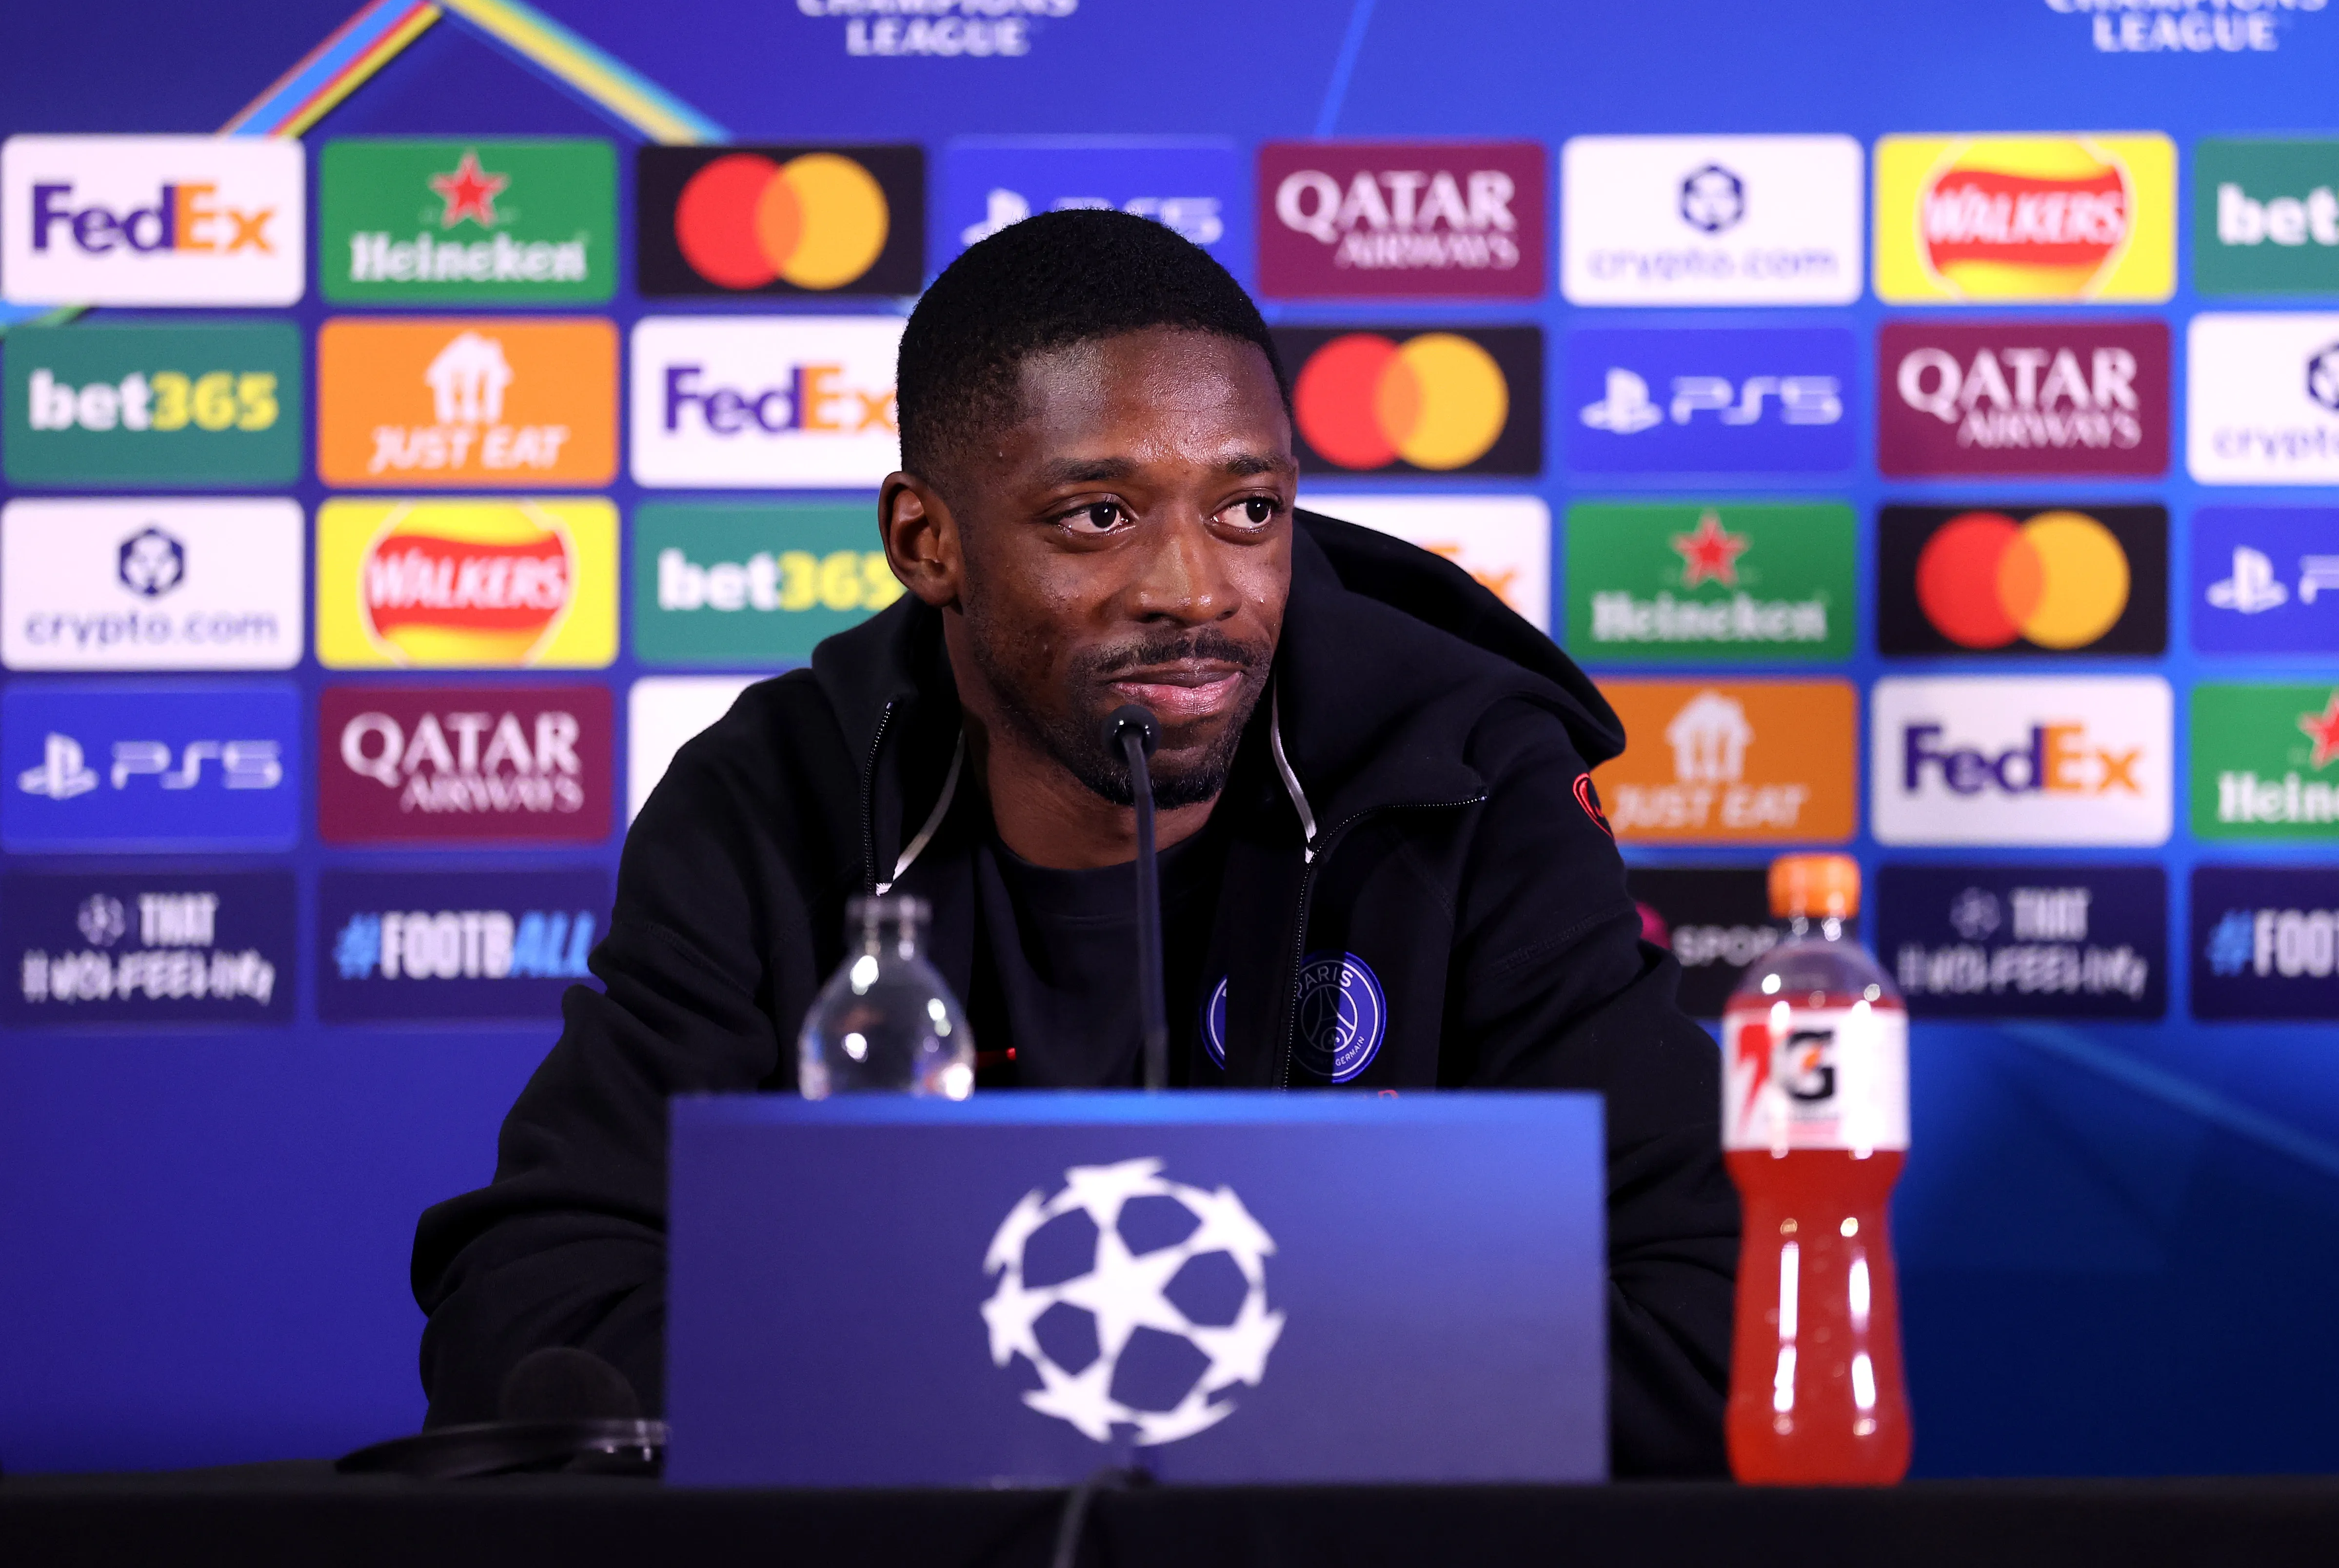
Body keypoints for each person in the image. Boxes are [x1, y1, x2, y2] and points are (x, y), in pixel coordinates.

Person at [412, 208, 1740, 1475]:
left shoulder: (1467, 782)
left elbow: (1719, 1326)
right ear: (926, 542)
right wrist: (1203, 1367)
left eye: (1249, 511)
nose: (1194, 592)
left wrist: (987, 1368)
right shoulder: (773, 796)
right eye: (1100, 515)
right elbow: (531, 1311)